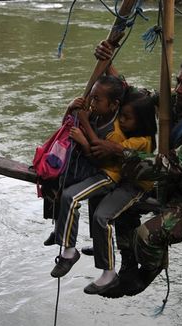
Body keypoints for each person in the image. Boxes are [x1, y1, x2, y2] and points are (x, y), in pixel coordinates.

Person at [94, 42, 182, 297]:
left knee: (147, 235)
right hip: (168, 184)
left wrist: (119, 152)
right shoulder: (175, 99)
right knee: (120, 203)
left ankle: (148, 270)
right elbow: (134, 95)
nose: (178, 88)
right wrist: (107, 62)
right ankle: (128, 264)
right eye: (178, 81)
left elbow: (166, 167)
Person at [50, 74, 127, 278]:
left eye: (97, 100)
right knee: (56, 181)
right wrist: (70, 108)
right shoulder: (95, 115)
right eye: (91, 98)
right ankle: (61, 230)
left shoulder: (115, 130)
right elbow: (66, 127)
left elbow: (102, 160)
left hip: (107, 174)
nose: (92, 103)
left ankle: (68, 252)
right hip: (90, 168)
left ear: (113, 105)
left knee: (71, 196)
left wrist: (84, 140)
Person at [83, 89, 157, 295]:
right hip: (122, 179)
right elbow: (118, 88)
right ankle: (101, 247)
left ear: (141, 120)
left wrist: (85, 125)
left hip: (135, 186)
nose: (121, 121)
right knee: (94, 198)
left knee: (102, 216)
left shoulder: (141, 141)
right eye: (120, 116)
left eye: (126, 117)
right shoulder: (130, 131)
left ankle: (109, 273)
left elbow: (107, 147)